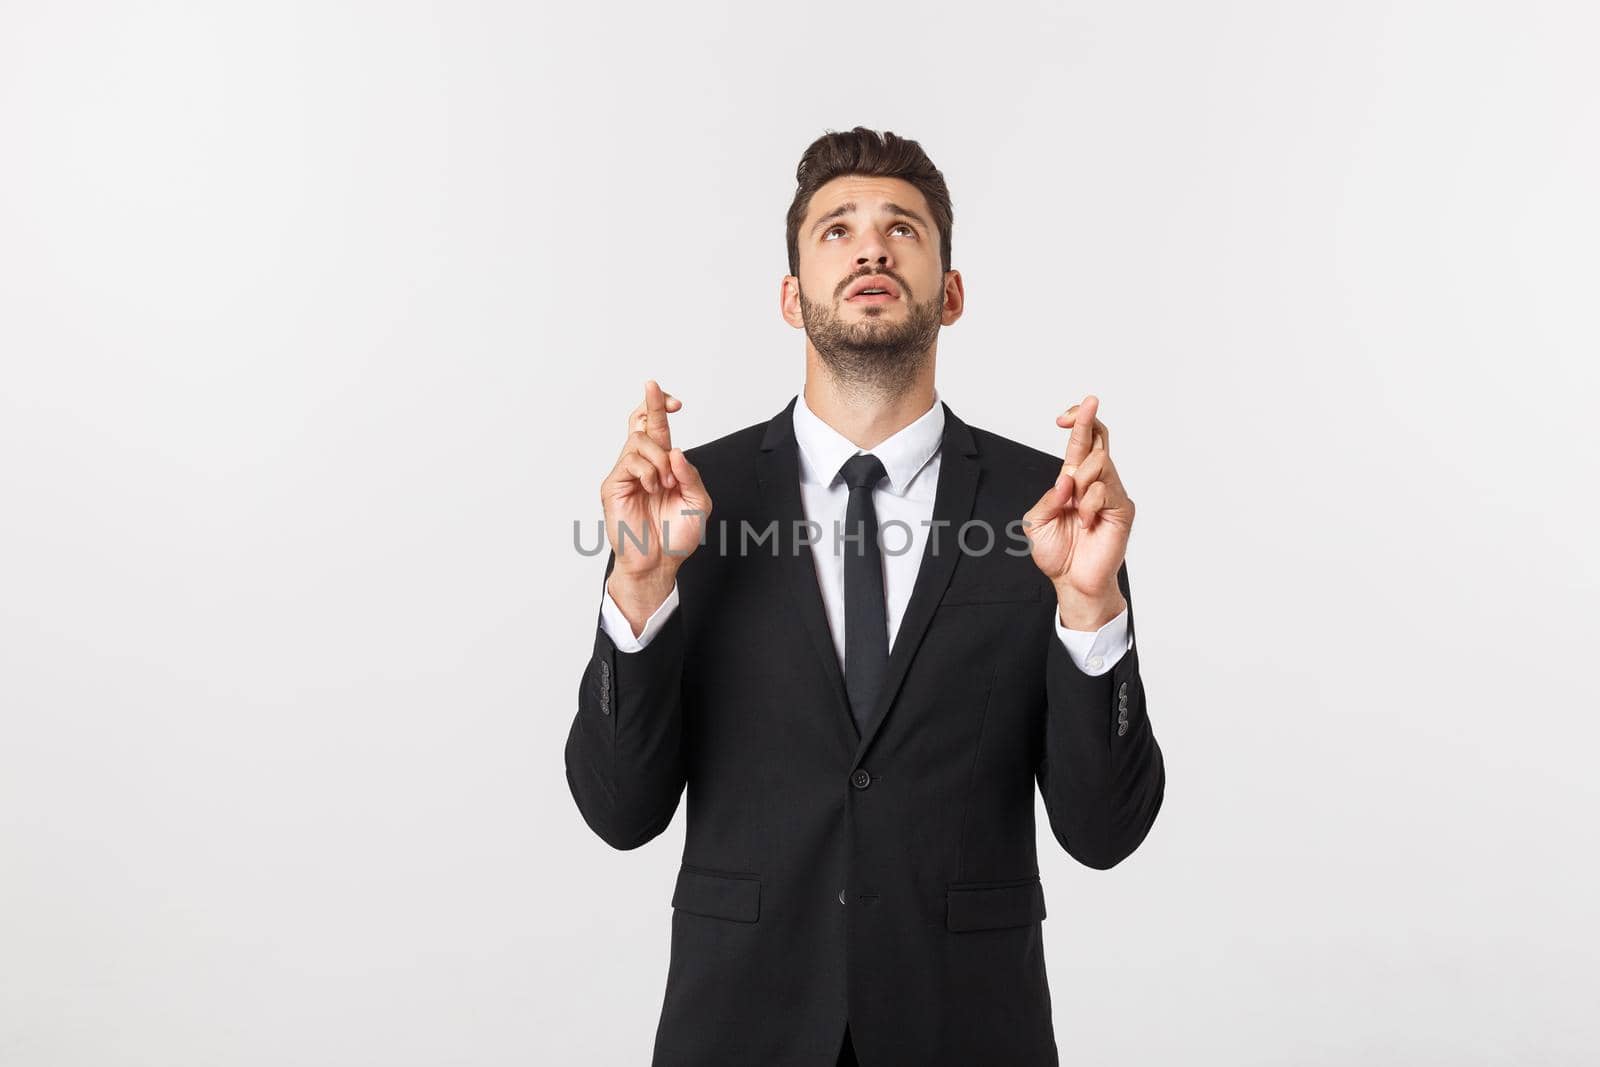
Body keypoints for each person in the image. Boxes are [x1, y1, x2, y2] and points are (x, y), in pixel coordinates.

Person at [564, 126, 1165, 1066]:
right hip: (740, 1027)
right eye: (837, 230)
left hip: (969, 1031)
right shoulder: (689, 503)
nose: (872, 247)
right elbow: (619, 809)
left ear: (951, 294)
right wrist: (638, 584)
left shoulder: (1050, 509)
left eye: (904, 229)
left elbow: (1104, 830)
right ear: (792, 296)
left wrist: (1091, 610)